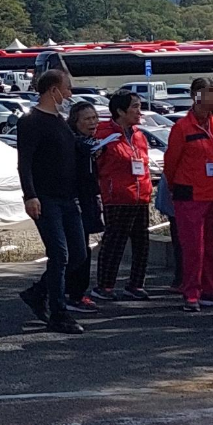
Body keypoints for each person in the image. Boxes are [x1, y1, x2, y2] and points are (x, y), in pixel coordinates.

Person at [15, 65, 85, 333]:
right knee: (59, 253)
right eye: (67, 88)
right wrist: (30, 195)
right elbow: (25, 163)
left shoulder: (60, 121)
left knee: (78, 253)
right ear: (53, 89)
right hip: (46, 199)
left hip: (68, 198)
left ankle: (37, 292)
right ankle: (59, 312)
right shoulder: (31, 121)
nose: (69, 93)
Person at [164, 79, 213, 310]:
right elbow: (170, 163)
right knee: (193, 247)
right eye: (207, 92)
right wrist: (175, 186)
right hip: (189, 193)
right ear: (195, 96)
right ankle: (191, 292)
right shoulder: (182, 127)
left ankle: (212, 289)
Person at [94, 90, 152, 299]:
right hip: (117, 197)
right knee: (115, 241)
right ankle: (105, 285)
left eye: (139, 106)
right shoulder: (104, 133)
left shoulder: (139, 135)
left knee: (141, 242)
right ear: (120, 111)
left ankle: (136, 284)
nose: (139, 111)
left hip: (141, 195)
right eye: (134, 106)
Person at [66, 101, 102, 307]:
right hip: (74, 200)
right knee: (76, 249)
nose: (93, 123)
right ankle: (72, 293)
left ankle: (78, 292)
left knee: (84, 246)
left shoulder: (91, 142)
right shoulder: (73, 143)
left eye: (95, 118)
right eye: (87, 119)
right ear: (75, 122)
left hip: (89, 199)